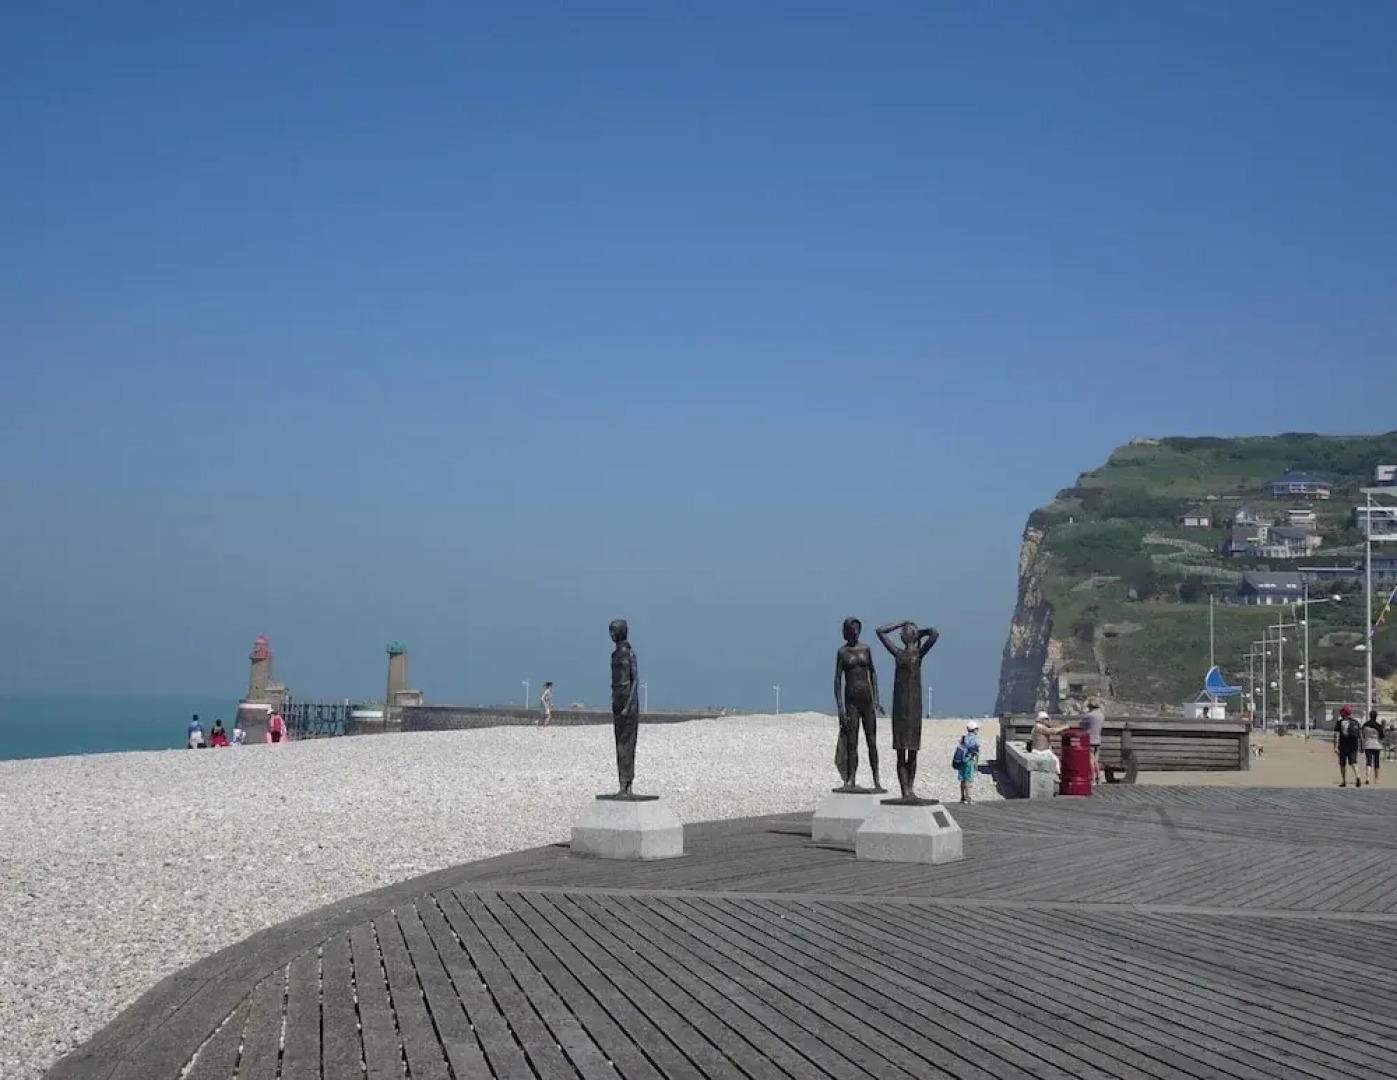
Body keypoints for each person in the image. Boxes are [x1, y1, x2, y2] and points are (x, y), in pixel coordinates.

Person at [876, 620, 940, 800]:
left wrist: (921, 632)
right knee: (900, 752)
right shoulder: (897, 653)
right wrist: (901, 623)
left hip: (914, 709)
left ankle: (910, 788)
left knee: (912, 752)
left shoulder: (919, 654)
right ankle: (904, 790)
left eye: (906, 631)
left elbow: (934, 633)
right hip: (899, 708)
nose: (903, 633)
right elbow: (880, 631)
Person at [833, 617, 884, 792]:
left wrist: (877, 699)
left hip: (867, 700)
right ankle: (851, 779)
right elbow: (837, 680)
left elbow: (873, 673)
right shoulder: (842, 653)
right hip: (851, 702)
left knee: (872, 741)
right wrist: (840, 709)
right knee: (852, 743)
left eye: (857, 628)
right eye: (852, 628)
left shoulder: (866, 649)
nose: (855, 631)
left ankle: (876, 779)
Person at [609, 619, 640, 796]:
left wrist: (629, 705)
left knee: (628, 744)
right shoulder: (614, 656)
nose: (611, 635)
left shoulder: (629, 654)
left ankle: (628, 783)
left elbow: (635, 679)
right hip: (617, 701)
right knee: (619, 744)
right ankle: (622, 782)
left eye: (614, 631)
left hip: (629, 703)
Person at [1334, 705, 1362, 787]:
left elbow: (1336, 735)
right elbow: (1360, 735)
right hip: (1353, 745)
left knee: (1342, 764)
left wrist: (1335, 746)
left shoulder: (1340, 722)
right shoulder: (1356, 722)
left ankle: (1344, 781)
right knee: (1354, 762)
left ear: (1343, 713)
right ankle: (1358, 776)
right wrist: (1361, 746)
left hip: (1343, 745)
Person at [954, 720, 981, 804]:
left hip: (961, 761)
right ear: (975, 729)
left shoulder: (964, 737)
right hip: (969, 761)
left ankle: (962, 797)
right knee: (968, 779)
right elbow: (976, 752)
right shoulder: (975, 739)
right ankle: (968, 797)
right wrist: (976, 763)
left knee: (962, 779)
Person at [1079, 699, 1105, 783]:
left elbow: (1081, 724)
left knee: (1090, 760)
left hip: (1089, 740)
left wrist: (1084, 712)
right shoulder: (1101, 715)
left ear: (1090, 707)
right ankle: (1099, 778)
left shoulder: (1089, 716)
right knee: (1096, 761)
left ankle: (1092, 779)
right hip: (1098, 739)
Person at [1361, 709, 1385, 786]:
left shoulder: (1365, 725)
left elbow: (1363, 735)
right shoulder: (1378, 726)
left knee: (1368, 761)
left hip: (1368, 745)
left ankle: (1367, 778)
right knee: (1376, 762)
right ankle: (1376, 779)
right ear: (1376, 716)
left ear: (1369, 716)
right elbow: (1382, 737)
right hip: (1377, 745)